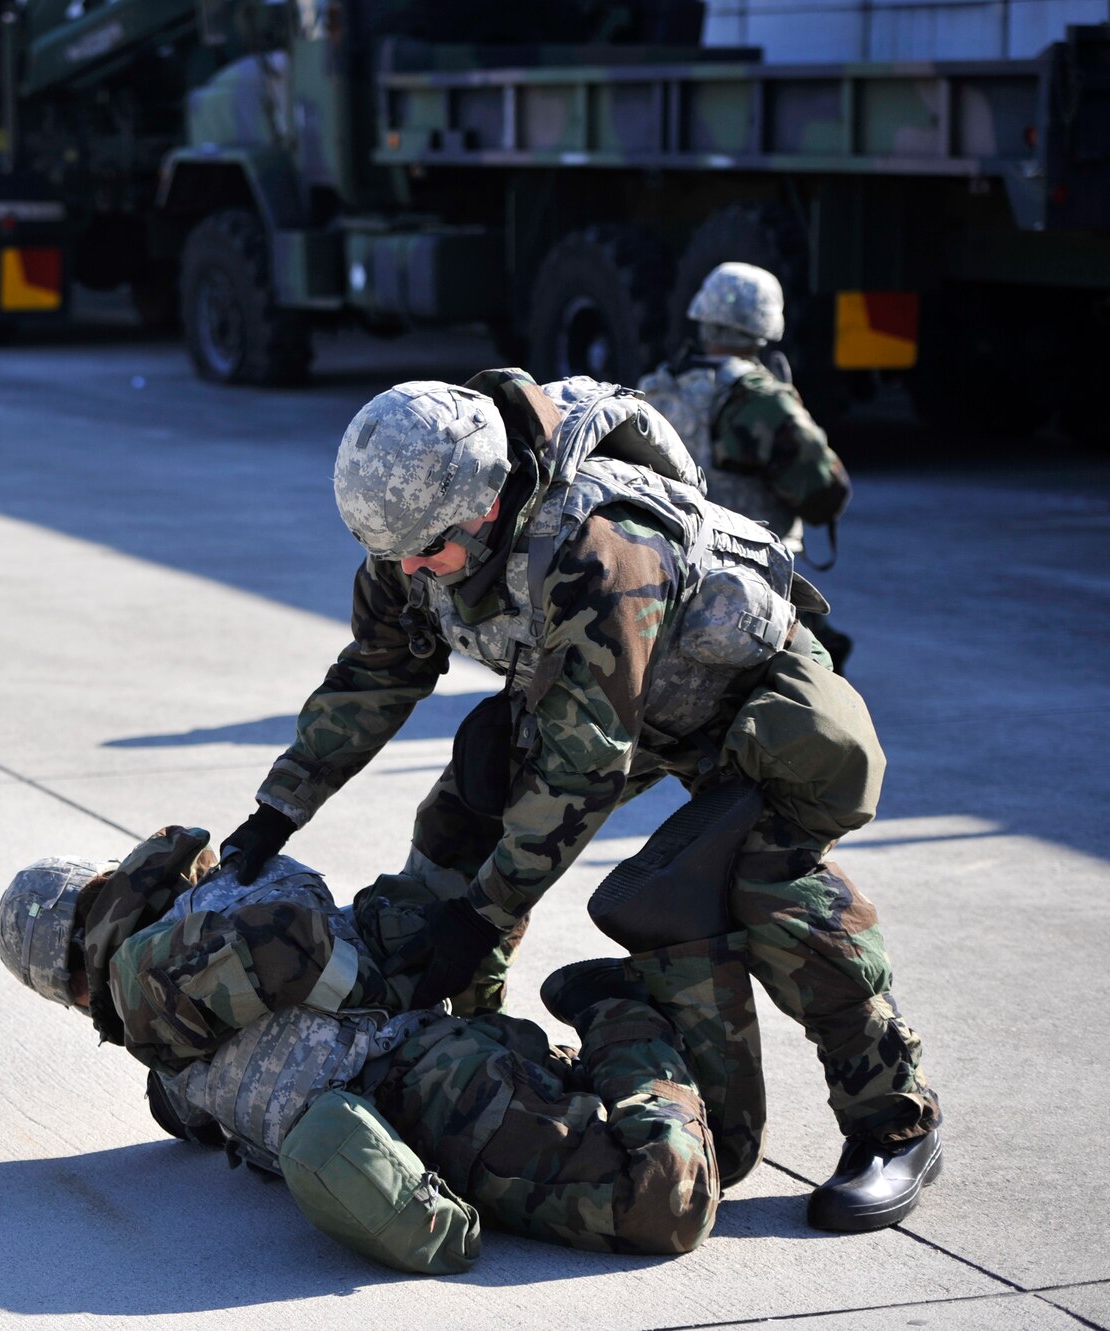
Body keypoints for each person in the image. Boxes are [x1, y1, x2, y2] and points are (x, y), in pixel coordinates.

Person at [214, 373, 941, 1231]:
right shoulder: (416, 525)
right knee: (471, 799)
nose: (409, 569)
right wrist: (280, 804)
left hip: (761, 720)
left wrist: (479, 917)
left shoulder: (600, 553)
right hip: (638, 702)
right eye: (394, 553)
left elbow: (582, 770)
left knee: (752, 883)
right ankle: (466, 1024)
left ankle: (893, 1118)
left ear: (487, 506)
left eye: (426, 552)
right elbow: (379, 668)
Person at [0, 824, 768, 1273]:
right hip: (429, 1063)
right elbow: (192, 1099)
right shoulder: (205, 905)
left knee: (666, 1199)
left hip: (429, 1087)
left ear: (70, 979)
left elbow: (291, 946)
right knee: (720, 1148)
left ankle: (626, 997)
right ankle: (640, 1012)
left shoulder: (147, 985)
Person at [638, 263, 855, 671]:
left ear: (703, 318)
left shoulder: (654, 388)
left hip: (664, 585)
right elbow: (825, 494)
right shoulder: (759, 400)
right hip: (756, 596)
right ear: (766, 327)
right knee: (819, 692)